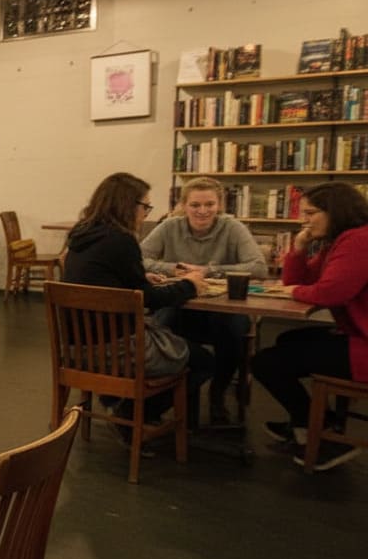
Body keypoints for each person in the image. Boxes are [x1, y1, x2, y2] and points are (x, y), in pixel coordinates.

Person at [63, 172, 214, 438]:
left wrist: (138, 278)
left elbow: (104, 278)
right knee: (203, 361)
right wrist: (190, 284)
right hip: (116, 350)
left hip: (76, 349)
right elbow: (149, 299)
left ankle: (122, 404)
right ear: (128, 205)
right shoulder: (121, 240)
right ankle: (131, 415)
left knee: (173, 337)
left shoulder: (82, 234)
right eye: (145, 206)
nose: (146, 213)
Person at [252, 181, 368, 472]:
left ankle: (320, 431)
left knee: (266, 362)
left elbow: (329, 293)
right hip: (356, 335)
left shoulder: (358, 240)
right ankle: (314, 422)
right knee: (288, 340)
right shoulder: (338, 242)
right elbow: (301, 282)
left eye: (311, 212)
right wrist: (298, 249)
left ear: (335, 212)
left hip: (363, 346)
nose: (304, 220)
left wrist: (290, 293)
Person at [140, 176, 267, 425]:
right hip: (181, 304)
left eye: (209, 204)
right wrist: (174, 269)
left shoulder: (232, 227)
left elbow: (259, 267)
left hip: (223, 308)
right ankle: (169, 396)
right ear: (184, 205)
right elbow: (138, 258)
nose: (202, 211)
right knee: (160, 326)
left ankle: (217, 393)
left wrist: (207, 271)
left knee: (233, 331)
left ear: (219, 205)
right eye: (195, 205)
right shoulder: (170, 226)